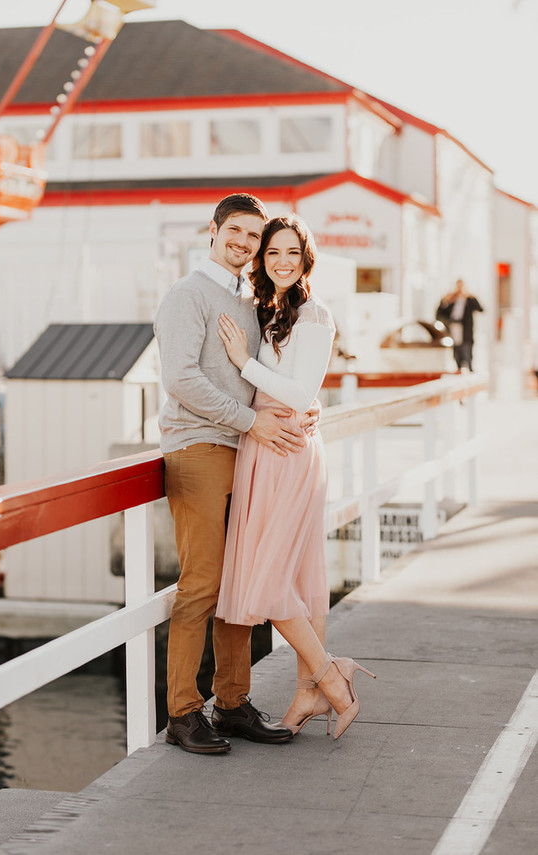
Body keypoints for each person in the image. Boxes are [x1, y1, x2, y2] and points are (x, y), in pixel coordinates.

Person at [154, 193, 321, 755]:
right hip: (199, 447)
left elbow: (272, 375)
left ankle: (231, 703)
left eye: (254, 236)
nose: (245, 243)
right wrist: (251, 421)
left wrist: (305, 409)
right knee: (203, 583)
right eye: (237, 231)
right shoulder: (187, 294)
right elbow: (181, 379)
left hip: (248, 451)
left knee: (240, 580)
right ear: (214, 229)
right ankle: (182, 713)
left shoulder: (251, 299)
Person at [215, 215, 376, 741]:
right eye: (272, 253)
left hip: (287, 449)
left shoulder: (314, 313)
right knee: (298, 575)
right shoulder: (274, 309)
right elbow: (296, 386)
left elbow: (301, 391)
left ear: (306, 258)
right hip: (265, 445)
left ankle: (330, 678)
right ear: (262, 260)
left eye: (291, 252)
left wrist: (242, 360)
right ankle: (310, 689)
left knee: (268, 581)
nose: (281, 261)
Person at [436, 279, 483, 372]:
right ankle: (458, 368)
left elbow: (480, 309)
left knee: (467, 350)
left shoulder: (469, 300)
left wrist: (472, 297)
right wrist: (444, 301)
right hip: (454, 329)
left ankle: (469, 368)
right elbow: (440, 314)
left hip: (466, 331)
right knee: (457, 350)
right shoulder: (451, 301)